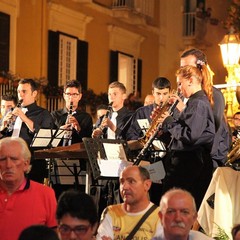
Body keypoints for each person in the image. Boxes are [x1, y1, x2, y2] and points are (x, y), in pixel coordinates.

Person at [159, 65, 215, 210]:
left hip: (188, 164)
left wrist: (169, 122)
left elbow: (190, 136)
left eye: (179, 83)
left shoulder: (198, 103)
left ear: (190, 80)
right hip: (185, 162)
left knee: (175, 205)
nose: (178, 88)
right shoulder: (194, 102)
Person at [180, 48, 230, 166]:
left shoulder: (215, 96)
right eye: (181, 68)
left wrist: (183, 110)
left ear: (200, 69)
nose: (182, 72)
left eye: (186, 68)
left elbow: (210, 132)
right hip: (183, 159)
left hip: (203, 161)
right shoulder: (181, 95)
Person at [0, 137, 57, 240]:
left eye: (14, 159)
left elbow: (55, 234)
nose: (8, 165)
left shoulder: (45, 194)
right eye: (2, 159)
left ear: (26, 164)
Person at [0, 79, 54, 183]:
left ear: (34, 93)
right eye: (19, 91)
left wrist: (23, 117)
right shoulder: (10, 112)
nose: (20, 95)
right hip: (9, 161)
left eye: (24, 91)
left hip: (32, 163)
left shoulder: (43, 113)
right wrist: (3, 126)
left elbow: (44, 136)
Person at [96, 165, 161, 240]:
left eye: (131, 181)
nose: (124, 187)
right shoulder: (111, 212)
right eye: (122, 182)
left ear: (147, 185)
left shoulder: (161, 216)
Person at [51, 80, 93, 146]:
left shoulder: (86, 117)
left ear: (80, 96)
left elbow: (89, 141)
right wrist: (60, 131)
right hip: (58, 153)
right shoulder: (55, 115)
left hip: (77, 154)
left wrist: (78, 129)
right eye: (68, 94)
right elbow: (49, 139)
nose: (71, 98)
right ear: (64, 95)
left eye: (75, 94)